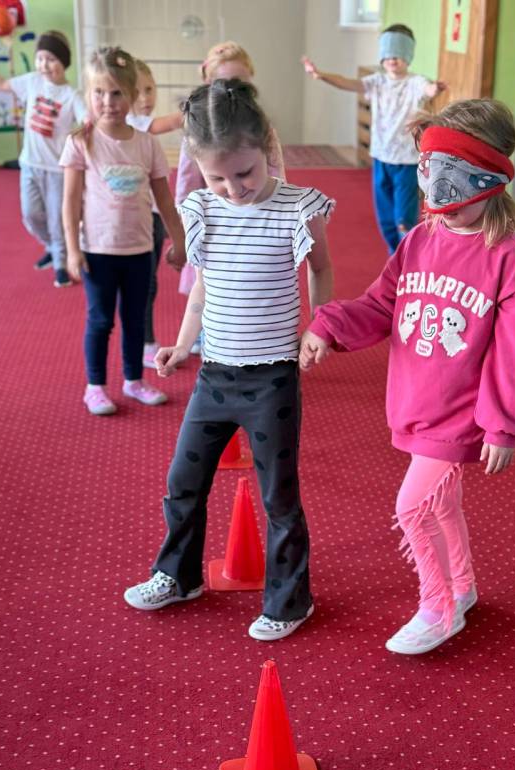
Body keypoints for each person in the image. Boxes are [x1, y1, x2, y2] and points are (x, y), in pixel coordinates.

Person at [300, 99, 515, 655]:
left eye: (459, 197)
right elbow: (381, 305)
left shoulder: (508, 256)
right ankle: (463, 588)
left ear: (490, 183)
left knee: (412, 506)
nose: (444, 207)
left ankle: (438, 607)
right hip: (413, 400)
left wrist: (503, 423)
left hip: (460, 412)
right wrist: (328, 325)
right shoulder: (419, 240)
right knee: (441, 505)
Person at [124, 79, 334, 642]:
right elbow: (203, 289)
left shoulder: (297, 207)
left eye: (245, 173)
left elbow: (320, 269)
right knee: (183, 481)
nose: (234, 188)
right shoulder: (200, 210)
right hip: (214, 376)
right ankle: (179, 575)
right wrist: (181, 345)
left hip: (272, 380)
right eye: (218, 178)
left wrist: (321, 324)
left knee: (278, 495)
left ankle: (290, 600)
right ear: (196, 166)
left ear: (266, 148)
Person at [59, 47, 186, 416]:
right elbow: (70, 201)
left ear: (131, 96)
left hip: (140, 249)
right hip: (97, 250)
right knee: (100, 320)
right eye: (98, 92)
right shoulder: (81, 141)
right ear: (88, 94)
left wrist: (179, 242)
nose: (107, 102)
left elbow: (164, 199)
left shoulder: (146, 144)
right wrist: (72, 249)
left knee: (134, 318)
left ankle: (134, 380)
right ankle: (95, 386)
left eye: (116, 93)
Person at [174, 41, 286, 357]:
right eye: (226, 83)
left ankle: (254, 336)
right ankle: (205, 333)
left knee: (250, 282)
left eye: (241, 84)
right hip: (215, 220)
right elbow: (186, 182)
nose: (234, 92)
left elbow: (277, 173)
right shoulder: (196, 130)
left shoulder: (262, 129)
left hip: (255, 217)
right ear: (209, 83)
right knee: (210, 280)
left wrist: (278, 217)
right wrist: (186, 225)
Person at [303, 23, 446, 254]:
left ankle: (408, 253)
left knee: (404, 215)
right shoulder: (377, 82)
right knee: (385, 216)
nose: (392, 59)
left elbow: (428, 90)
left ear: (408, 55)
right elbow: (347, 82)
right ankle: (395, 253)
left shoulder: (415, 82)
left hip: (406, 160)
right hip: (381, 156)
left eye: (398, 54)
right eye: (388, 54)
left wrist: (435, 88)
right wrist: (321, 76)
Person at [0, 31, 86, 288]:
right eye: (40, 58)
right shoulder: (32, 82)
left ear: (63, 62)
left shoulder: (71, 95)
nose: (44, 65)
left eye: (50, 59)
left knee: (57, 219)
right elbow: (1, 84)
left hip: (56, 170)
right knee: (31, 215)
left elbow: (87, 122)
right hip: (29, 164)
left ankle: (60, 263)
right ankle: (52, 246)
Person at [126, 59, 184, 370]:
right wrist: (193, 110)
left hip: (153, 214)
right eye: (137, 92)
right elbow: (165, 123)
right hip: (135, 219)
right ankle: (143, 342)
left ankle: (145, 340)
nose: (146, 98)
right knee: (141, 286)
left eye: (150, 89)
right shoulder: (130, 123)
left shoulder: (141, 129)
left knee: (149, 284)